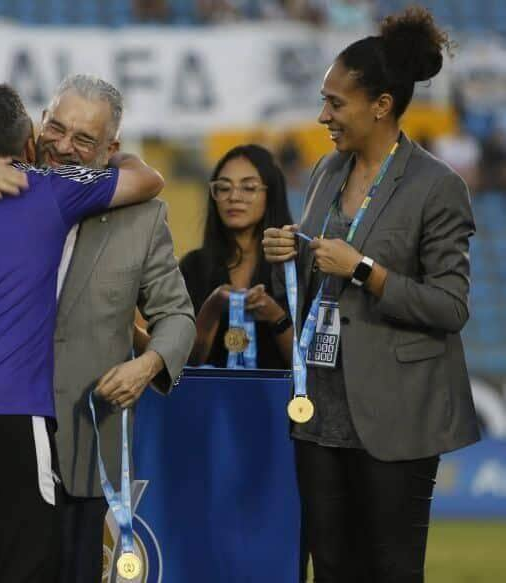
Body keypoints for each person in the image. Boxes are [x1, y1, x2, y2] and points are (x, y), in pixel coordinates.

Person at [0, 74, 195, 583]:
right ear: (38, 126)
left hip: (82, 439)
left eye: (84, 139)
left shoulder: (142, 220)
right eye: (56, 127)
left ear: (111, 148)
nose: (63, 146)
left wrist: (148, 363)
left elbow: (176, 315)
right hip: (7, 427)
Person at [262, 7, 480, 581]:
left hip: (395, 415)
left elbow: (451, 307)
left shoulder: (439, 186)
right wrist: (294, 254)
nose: (323, 115)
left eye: (336, 103)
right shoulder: (326, 173)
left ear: (381, 105)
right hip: (319, 411)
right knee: (329, 566)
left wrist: (367, 271)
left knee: (390, 569)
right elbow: (319, 280)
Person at [180, 144, 293, 368]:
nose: (234, 197)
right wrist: (211, 308)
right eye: (223, 188)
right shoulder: (193, 266)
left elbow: (311, 366)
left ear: (271, 194)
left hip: (281, 400)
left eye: (249, 188)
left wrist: (276, 316)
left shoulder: (294, 264)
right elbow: (187, 362)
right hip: (212, 399)